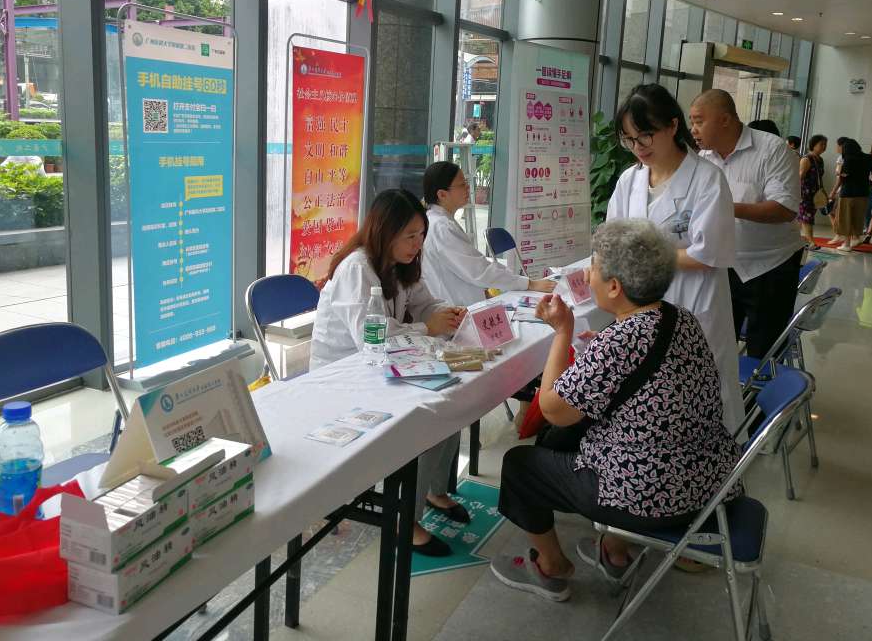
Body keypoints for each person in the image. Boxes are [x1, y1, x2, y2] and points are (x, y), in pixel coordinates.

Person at [489, 219, 742, 601]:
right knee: (568, 436)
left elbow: (553, 407)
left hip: (652, 495)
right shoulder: (679, 318)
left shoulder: (622, 338)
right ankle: (615, 550)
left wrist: (562, 331)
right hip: (709, 480)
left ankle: (552, 565)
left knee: (520, 466)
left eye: (593, 267)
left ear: (614, 287)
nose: (587, 274)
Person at [309, 188, 467, 557]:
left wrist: (449, 313)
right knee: (426, 417)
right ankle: (403, 518)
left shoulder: (402, 264)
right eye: (409, 235)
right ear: (385, 231)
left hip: (386, 366)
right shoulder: (356, 268)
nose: (417, 243)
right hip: (344, 380)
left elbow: (427, 302)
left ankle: (434, 490)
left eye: (421, 234)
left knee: (452, 401)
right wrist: (428, 328)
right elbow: (371, 338)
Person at [606, 84, 743, 435]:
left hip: (694, 303)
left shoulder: (707, 179)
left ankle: (712, 467)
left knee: (698, 392)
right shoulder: (629, 181)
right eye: (629, 139)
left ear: (672, 126)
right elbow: (615, 239)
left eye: (646, 135)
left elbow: (709, 254)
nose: (638, 148)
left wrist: (646, 254)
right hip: (640, 307)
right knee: (647, 397)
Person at [690, 89, 805, 360]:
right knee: (717, 344)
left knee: (763, 350)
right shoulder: (703, 159)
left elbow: (785, 209)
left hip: (769, 265)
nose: (693, 130)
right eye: (691, 122)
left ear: (725, 120)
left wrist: (724, 208)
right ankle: (727, 400)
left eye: (698, 121)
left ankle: (762, 401)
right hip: (722, 264)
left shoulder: (772, 150)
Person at [421, 161, 555, 306]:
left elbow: (466, 269)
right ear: (442, 194)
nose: (468, 187)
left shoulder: (437, 221)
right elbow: (478, 270)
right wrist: (530, 284)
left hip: (457, 304)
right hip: (456, 311)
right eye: (461, 185)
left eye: (466, 182)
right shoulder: (442, 227)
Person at [826, 138, 872, 252]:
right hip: (864, 192)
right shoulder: (868, 158)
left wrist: (834, 190)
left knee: (845, 218)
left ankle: (846, 244)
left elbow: (842, 177)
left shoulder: (848, 160)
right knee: (857, 217)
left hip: (848, 192)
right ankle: (857, 238)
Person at [797, 134, 828, 250]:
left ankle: (799, 239)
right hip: (805, 193)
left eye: (825, 144)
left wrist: (823, 190)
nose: (824, 147)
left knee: (805, 218)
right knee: (807, 218)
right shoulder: (806, 159)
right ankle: (811, 242)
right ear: (813, 145)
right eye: (821, 144)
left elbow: (819, 177)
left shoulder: (820, 160)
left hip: (815, 193)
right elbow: (800, 176)